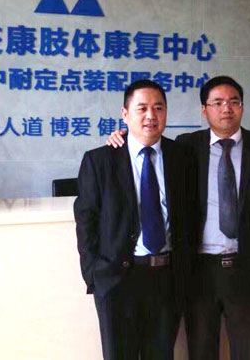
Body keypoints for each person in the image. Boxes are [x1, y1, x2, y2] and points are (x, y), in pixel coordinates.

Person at [106, 75, 250, 360]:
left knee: (247, 351)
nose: (226, 108)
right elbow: (146, 142)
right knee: (200, 350)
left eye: (234, 102)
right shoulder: (187, 146)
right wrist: (119, 136)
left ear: (242, 107)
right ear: (204, 110)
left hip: (246, 267)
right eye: (217, 102)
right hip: (198, 271)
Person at [74, 80, 196, 360]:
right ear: (125, 114)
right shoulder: (100, 160)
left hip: (167, 280)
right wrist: (94, 274)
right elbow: (86, 220)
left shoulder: (183, 156)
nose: (151, 115)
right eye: (142, 108)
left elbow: (191, 215)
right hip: (118, 280)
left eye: (158, 108)